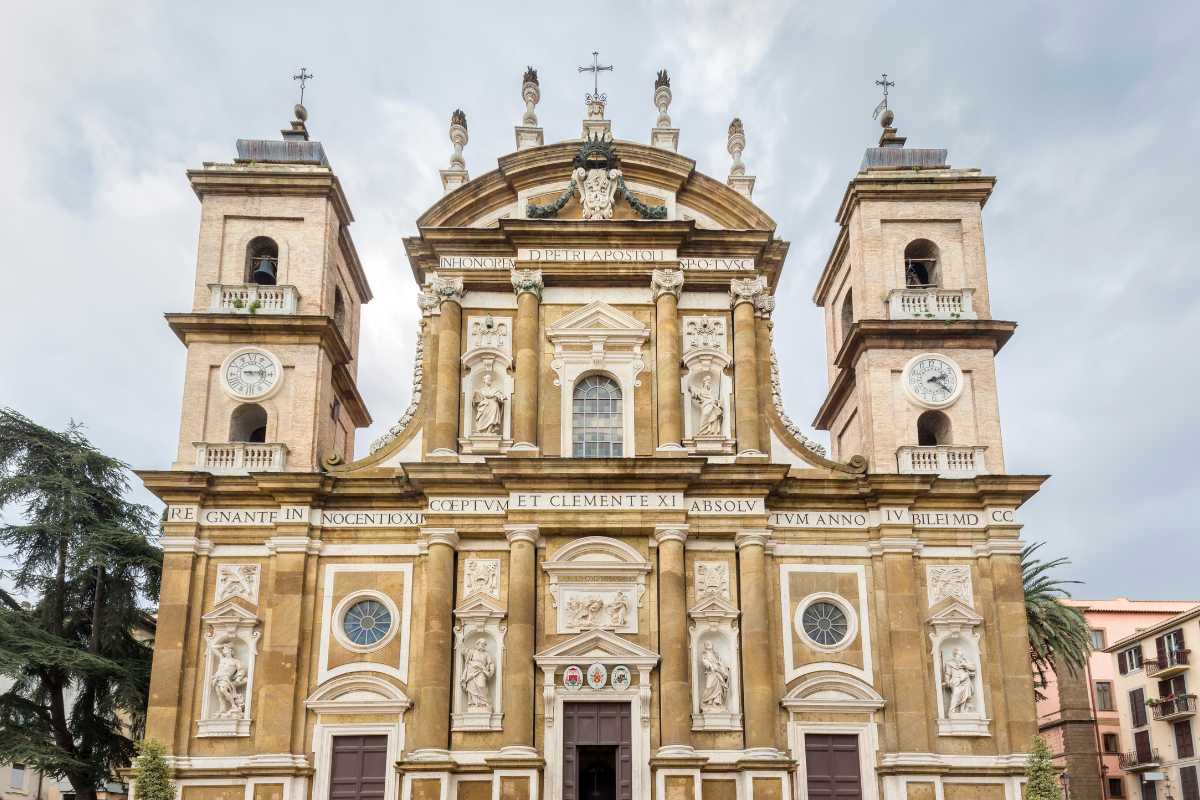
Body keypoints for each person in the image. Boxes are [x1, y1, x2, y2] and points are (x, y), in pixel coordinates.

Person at [461, 640, 495, 711]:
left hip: (481, 671)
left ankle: (483, 702)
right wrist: (461, 643)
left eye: (484, 644)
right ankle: (473, 703)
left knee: (481, 685)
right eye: (482, 644)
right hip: (471, 672)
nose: (483, 646)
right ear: (477, 644)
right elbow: (465, 655)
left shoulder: (486, 654)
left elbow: (491, 663)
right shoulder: (472, 652)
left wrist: (491, 671)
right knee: (472, 687)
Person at [943, 647, 976, 714]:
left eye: (961, 655)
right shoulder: (949, 663)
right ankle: (951, 710)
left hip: (965, 679)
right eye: (960, 655)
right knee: (956, 694)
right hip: (956, 680)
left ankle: (962, 710)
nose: (961, 657)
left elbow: (973, 668)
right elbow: (947, 674)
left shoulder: (964, 661)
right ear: (955, 654)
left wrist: (965, 665)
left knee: (966, 695)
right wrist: (947, 682)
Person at [700, 641, 729, 711]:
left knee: (719, 687)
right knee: (709, 686)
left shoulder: (716, 654)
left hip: (717, 672)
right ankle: (708, 701)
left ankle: (716, 701)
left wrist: (722, 667)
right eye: (707, 644)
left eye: (710, 644)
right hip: (711, 673)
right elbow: (704, 661)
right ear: (705, 646)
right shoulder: (704, 654)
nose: (709, 645)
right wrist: (709, 665)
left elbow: (720, 662)